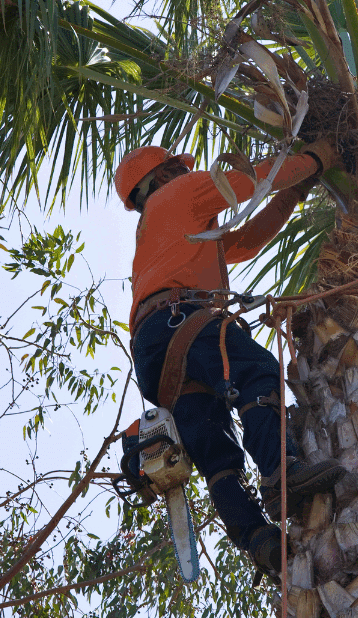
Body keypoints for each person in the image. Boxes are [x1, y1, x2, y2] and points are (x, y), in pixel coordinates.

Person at [115, 140, 345, 579]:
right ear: (163, 176)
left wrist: (296, 193)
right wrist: (318, 158)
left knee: (217, 452)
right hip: (179, 320)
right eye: (179, 169)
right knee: (257, 372)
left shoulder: (163, 227)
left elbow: (245, 243)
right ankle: (282, 472)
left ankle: (257, 539)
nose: (187, 173)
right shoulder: (177, 195)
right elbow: (248, 181)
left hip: (154, 351)